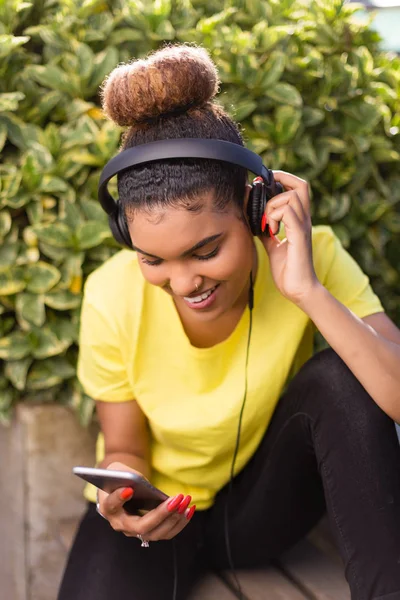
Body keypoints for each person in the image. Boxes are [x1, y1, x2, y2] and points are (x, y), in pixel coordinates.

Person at [58, 44, 400, 600]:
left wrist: (306, 291)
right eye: (153, 259)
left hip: (262, 513)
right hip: (161, 515)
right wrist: (122, 506)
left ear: (253, 209)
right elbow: (124, 444)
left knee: (341, 375)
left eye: (206, 249)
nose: (184, 281)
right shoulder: (109, 296)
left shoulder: (314, 257)